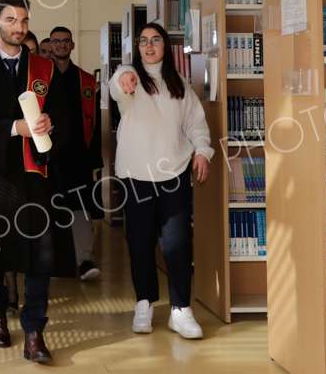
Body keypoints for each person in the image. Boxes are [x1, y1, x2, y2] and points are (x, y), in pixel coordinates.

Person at [0, 0, 76, 364]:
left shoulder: (43, 69)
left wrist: (51, 122)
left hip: (35, 175)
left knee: (40, 254)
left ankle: (35, 330)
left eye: (23, 21)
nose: (18, 27)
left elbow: (66, 115)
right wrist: (14, 128)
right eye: (10, 20)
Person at [109, 22, 213, 340]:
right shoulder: (130, 78)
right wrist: (123, 79)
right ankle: (144, 303)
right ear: (137, 47)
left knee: (177, 244)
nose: (149, 46)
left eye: (155, 40)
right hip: (135, 176)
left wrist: (203, 151)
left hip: (173, 174)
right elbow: (118, 84)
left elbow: (196, 123)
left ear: (165, 46)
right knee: (140, 243)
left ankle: (180, 309)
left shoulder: (179, 83)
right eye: (143, 41)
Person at [48, 26, 104, 281]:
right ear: (50, 45)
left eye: (65, 41)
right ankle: (52, 261)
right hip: (48, 158)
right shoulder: (40, 79)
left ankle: (84, 260)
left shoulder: (86, 81)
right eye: (56, 41)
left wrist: (94, 159)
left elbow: (94, 124)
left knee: (80, 208)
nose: (61, 45)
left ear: (72, 45)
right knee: (50, 208)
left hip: (78, 157)